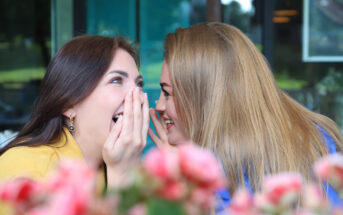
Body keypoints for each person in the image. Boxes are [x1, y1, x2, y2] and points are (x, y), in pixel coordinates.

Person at [148, 22, 343, 208]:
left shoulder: (220, 172)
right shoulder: (318, 140)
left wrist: (187, 182)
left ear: (205, 99)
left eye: (167, 93)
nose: (159, 105)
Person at [0, 35, 149, 191]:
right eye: (116, 80)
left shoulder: (122, 167)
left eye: (139, 83)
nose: (137, 94)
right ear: (69, 104)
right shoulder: (28, 170)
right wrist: (121, 177)